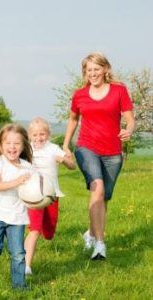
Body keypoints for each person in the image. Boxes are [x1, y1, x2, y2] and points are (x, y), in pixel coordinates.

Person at [62, 52, 135, 260]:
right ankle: (100, 245)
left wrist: (129, 130)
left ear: (105, 69)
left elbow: (129, 118)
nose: (92, 73)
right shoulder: (79, 95)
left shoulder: (119, 91)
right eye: (88, 70)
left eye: (96, 69)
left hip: (112, 151)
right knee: (98, 188)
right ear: (85, 72)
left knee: (104, 198)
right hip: (86, 148)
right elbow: (73, 120)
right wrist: (66, 145)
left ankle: (91, 232)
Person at [0, 123, 33, 289]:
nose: (12, 147)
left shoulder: (27, 167)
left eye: (16, 143)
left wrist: (46, 197)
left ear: (23, 145)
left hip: (17, 217)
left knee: (18, 253)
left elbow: (35, 189)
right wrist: (17, 181)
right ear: (1, 145)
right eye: (8, 143)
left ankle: (19, 287)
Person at [24, 117, 76, 275]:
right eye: (34, 135)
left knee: (49, 233)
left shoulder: (53, 148)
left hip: (52, 196)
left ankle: (46, 232)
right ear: (29, 136)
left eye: (42, 134)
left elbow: (72, 166)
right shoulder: (26, 150)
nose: (38, 138)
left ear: (48, 134)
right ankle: (25, 266)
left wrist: (64, 160)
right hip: (32, 196)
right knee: (34, 229)